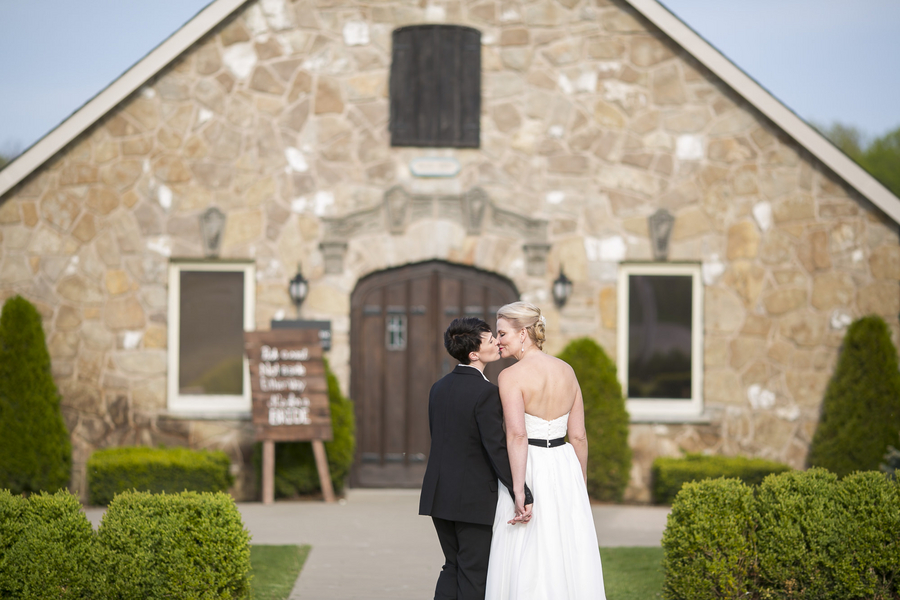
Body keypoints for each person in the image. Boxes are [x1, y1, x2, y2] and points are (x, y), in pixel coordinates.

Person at [485, 302, 606, 600]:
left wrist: (519, 490)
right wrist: (580, 483)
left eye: (502, 333)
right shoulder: (567, 370)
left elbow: (516, 435)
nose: (498, 340)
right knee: (568, 546)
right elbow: (578, 436)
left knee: (526, 548)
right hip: (565, 465)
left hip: (530, 465)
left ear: (523, 333)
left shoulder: (511, 376)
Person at [420, 317, 533, 600]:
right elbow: (496, 448)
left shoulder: (438, 388)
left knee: (452, 565)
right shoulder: (486, 393)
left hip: (438, 495)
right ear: (474, 354)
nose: (497, 342)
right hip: (471, 499)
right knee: (474, 572)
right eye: (490, 339)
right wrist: (522, 491)